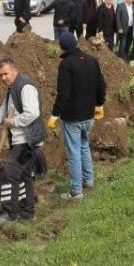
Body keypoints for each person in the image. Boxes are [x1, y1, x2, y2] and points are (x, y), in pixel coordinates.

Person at [0, 58, 47, 225]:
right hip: (21, 140)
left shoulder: (25, 87)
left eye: (5, 74)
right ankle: (28, 212)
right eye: (0, 75)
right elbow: (5, 108)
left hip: (27, 140)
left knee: (9, 174)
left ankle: (8, 214)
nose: (3, 78)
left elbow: (32, 113)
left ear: (14, 71)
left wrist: (13, 122)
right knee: (25, 176)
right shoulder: (13, 88)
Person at [49, 32, 106, 200]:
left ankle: (76, 191)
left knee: (73, 152)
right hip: (89, 115)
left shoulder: (66, 65)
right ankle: (88, 180)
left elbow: (63, 94)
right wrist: (99, 104)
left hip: (72, 118)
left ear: (62, 47)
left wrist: (55, 114)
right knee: (83, 146)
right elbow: (101, 85)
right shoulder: (91, 60)